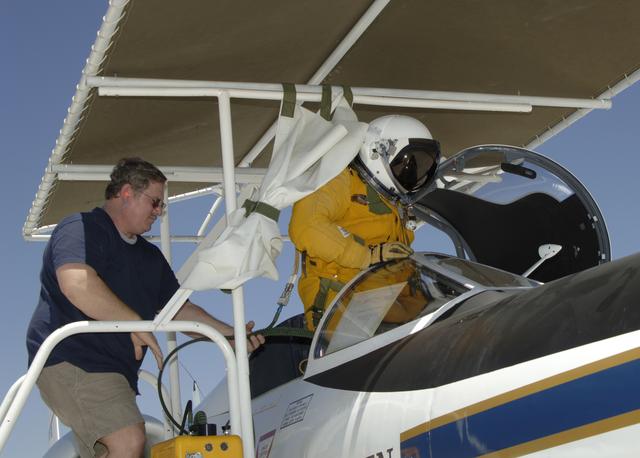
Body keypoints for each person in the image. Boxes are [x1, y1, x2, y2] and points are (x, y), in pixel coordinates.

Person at [26, 157, 264, 458]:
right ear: (127, 193)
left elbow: (178, 311)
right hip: (73, 362)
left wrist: (229, 334)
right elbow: (76, 283)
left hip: (116, 375)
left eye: (161, 205)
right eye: (155, 202)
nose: (159, 212)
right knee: (127, 441)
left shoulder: (150, 258)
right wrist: (135, 322)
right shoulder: (82, 228)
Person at [289, 115, 441, 330]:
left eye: (419, 165)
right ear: (376, 151)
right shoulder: (339, 180)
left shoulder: (393, 205)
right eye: (407, 162)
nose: (413, 171)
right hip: (344, 310)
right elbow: (307, 226)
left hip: (387, 308)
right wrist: (367, 255)